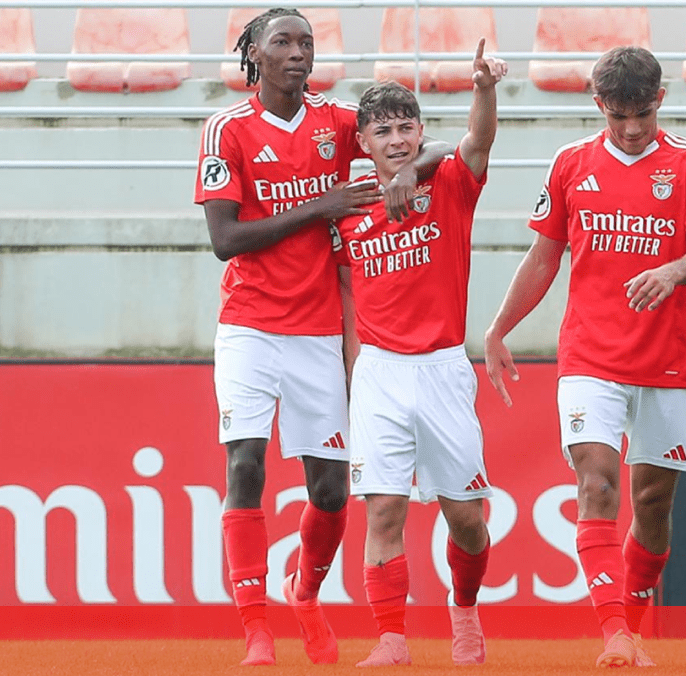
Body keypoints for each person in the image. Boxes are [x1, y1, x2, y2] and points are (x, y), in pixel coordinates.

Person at [193, 8, 449, 667]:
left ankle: (303, 596)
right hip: (249, 324)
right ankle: (256, 629)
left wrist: (399, 177)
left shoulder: (337, 123)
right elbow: (224, 240)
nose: (298, 52)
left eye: (307, 41)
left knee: (332, 492)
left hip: (317, 332)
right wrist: (319, 206)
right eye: (283, 41)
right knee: (244, 464)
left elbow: (425, 149)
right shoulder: (228, 129)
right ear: (253, 52)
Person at [483, 46, 686, 668]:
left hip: (668, 360)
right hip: (590, 355)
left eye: (642, 113)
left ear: (661, 100)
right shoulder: (571, 164)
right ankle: (614, 632)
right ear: (599, 107)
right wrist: (499, 328)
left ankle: (632, 630)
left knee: (652, 504)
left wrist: (672, 270)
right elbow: (544, 258)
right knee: (596, 483)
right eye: (619, 115)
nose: (632, 127)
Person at [330, 40, 507, 668]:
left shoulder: (450, 182)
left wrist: (483, 89)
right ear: (364, 143)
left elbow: (477, 143)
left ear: (422, 131)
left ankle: (464, 610)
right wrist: (351, 379)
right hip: (378, 371)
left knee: (466, 518)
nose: (398, 140)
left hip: (441, 367)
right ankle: (390, 638)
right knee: (384, 507)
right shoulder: (347, 209)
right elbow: (345, 298)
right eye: (383, 131)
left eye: (408, 128)